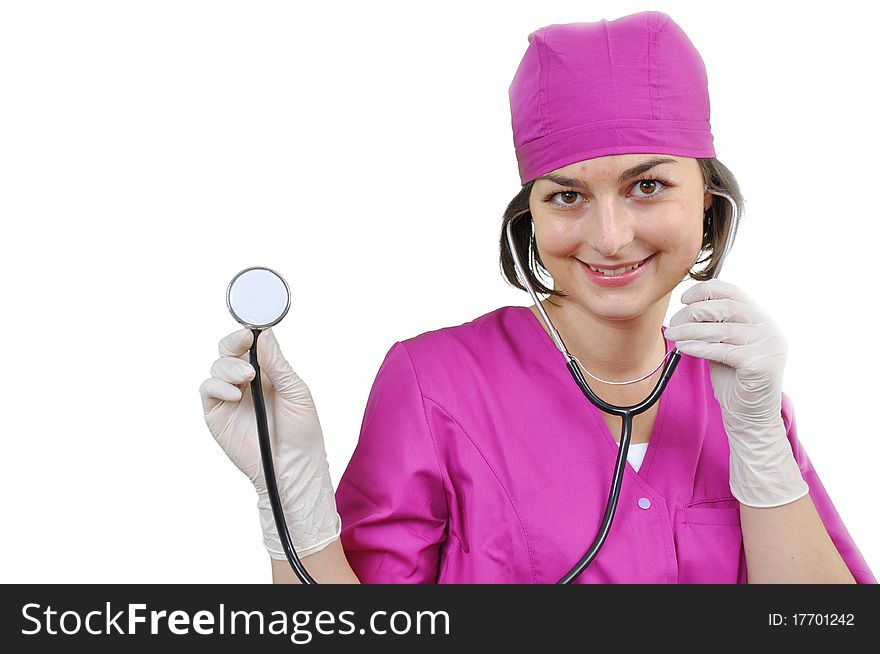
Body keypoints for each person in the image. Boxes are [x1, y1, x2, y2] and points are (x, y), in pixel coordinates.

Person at [199, 11, 875, 584]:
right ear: (531, 217)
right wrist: (296, 501)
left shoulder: (741, 395)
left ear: (708, 199)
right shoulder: (435, 384)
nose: (610, 237)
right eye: (567, 196)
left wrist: (761, 452)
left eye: (648, 186)